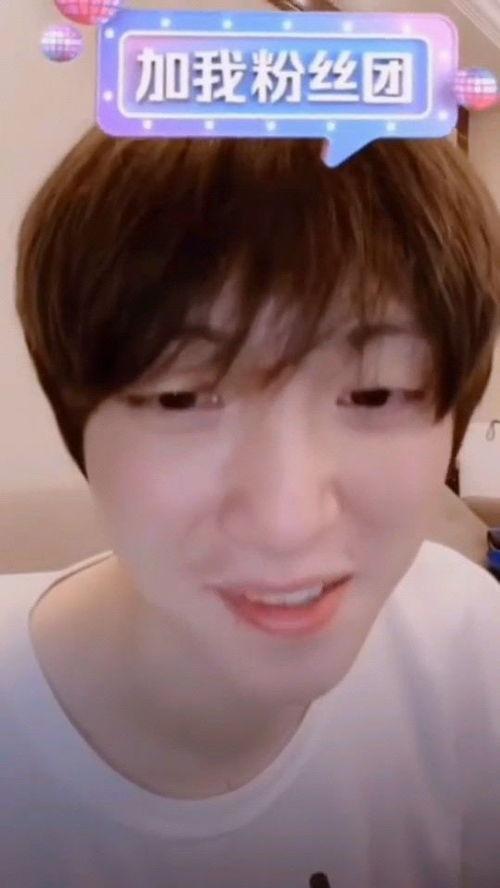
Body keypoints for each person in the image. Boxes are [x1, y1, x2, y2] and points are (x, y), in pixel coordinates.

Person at [2, 129, 500, 888]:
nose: (286, 522)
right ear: (75, 418)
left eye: (376, 391)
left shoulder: (466, 644)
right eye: (181, 397)